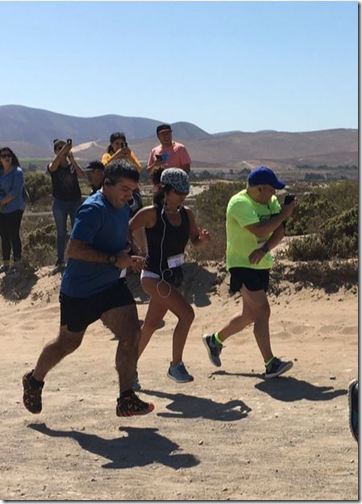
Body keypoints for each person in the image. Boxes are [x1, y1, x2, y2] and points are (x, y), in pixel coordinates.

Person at [22, 159, 154, 418]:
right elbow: (74, 250)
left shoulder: (121, 205)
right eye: (125, 189)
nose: (130, 196)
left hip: (111, 285)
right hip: (80, 292)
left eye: (133, 190)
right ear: (106, 184)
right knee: (67, 344)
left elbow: (122, 232)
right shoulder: (93, 209)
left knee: (131, 334)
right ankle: (34, 380)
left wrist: (132, 251)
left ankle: (126, 398)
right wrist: (113, 259)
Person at [202, 166, 297, 379]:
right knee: (262, 311)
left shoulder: (270, 202)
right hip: (241, 264)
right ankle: (270, 363)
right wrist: (285, 213)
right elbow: (261, 229)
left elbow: (279, 231)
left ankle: (214, 341)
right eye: (272, 190)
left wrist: (264, 250)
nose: (275, 194)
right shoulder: (239, 203)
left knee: (249, 315)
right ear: (260, 188)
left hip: (261, 262)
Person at [129, 168, 210, 387]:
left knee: (151, 324)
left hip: (173, 277)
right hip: (153, 277)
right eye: (178, 191)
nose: (182, 195)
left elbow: (194, 241)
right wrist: (132, 254)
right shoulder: (151, 214)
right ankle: (176, 365)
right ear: (165, 190)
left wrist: (202, 240)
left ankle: (128, 368)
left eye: (185, 191)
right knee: (187, 314)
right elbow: (125, 230)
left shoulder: (187, 214)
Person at [102, 132, 146, 253]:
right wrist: (117, 155)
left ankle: (143, 252)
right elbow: (105, 167)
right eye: (116, 143)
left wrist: (128, 156)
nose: (119, 146)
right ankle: (127, 251)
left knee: (136, 221)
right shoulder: (107, 156)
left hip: (132, 192)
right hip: (115, 193)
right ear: (111, 144)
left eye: (121, 143)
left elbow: (138, 168)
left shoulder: (130, 155)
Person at [48, 139, 84, 270]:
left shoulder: (72, 166)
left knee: (77, 231)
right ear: (56, 151)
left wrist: (73, 160)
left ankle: (77, 258)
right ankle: (60, 260)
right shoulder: (53, 165)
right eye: (59, 148)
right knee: (61, 232)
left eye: (64, 148)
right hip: (60, 203)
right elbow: (52, 168)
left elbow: (82, 175)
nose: (63, 150)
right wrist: (62, 153)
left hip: (75, 201)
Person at [0, 147, 26, 274]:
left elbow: (15, 192)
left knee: (13, 234)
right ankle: (5, 264)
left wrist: (2, 202)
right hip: (2, 210)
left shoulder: (18, 172)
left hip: (15, 208)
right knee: (4, 236)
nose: (6, 158)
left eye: (8, 155)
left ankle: (17, 263)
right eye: (4, 155)